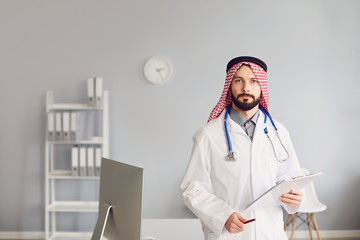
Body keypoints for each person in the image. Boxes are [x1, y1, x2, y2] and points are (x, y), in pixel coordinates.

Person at [181, 56, 303, 240]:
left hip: (270, 233)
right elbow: (192, 189)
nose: (246, 87)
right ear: (230, 85)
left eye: (253, 81)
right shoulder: (208, 135)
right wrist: (222, 216)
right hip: (229, 235)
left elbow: (289, 177)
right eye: (239, 80)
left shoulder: (279, 132)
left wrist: (293, 197)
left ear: (261, 86)